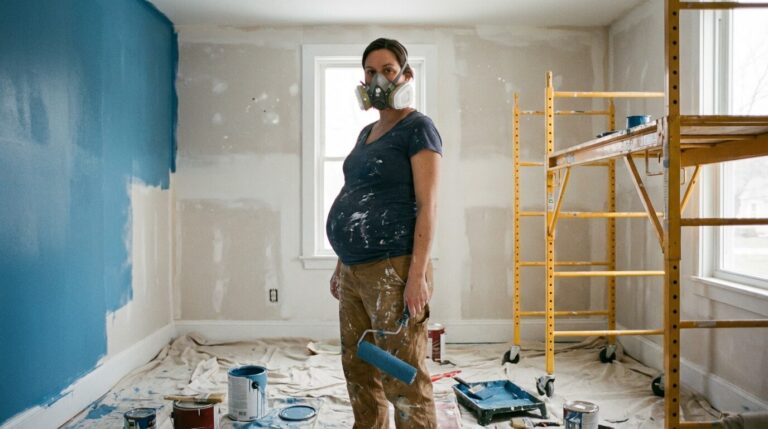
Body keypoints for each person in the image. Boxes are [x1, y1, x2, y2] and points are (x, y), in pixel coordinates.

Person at [325, 38, 442, 429]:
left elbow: (427, 206)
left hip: (394, 267)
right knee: (359, 366)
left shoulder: (418, 128)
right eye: (371, 72)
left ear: (406, 76)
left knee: (403, 374)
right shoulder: (366, 133)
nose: (378, 80)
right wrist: (342, 263)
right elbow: (356, 197)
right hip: (356, 271)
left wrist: (416, 277)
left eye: (388, 70)